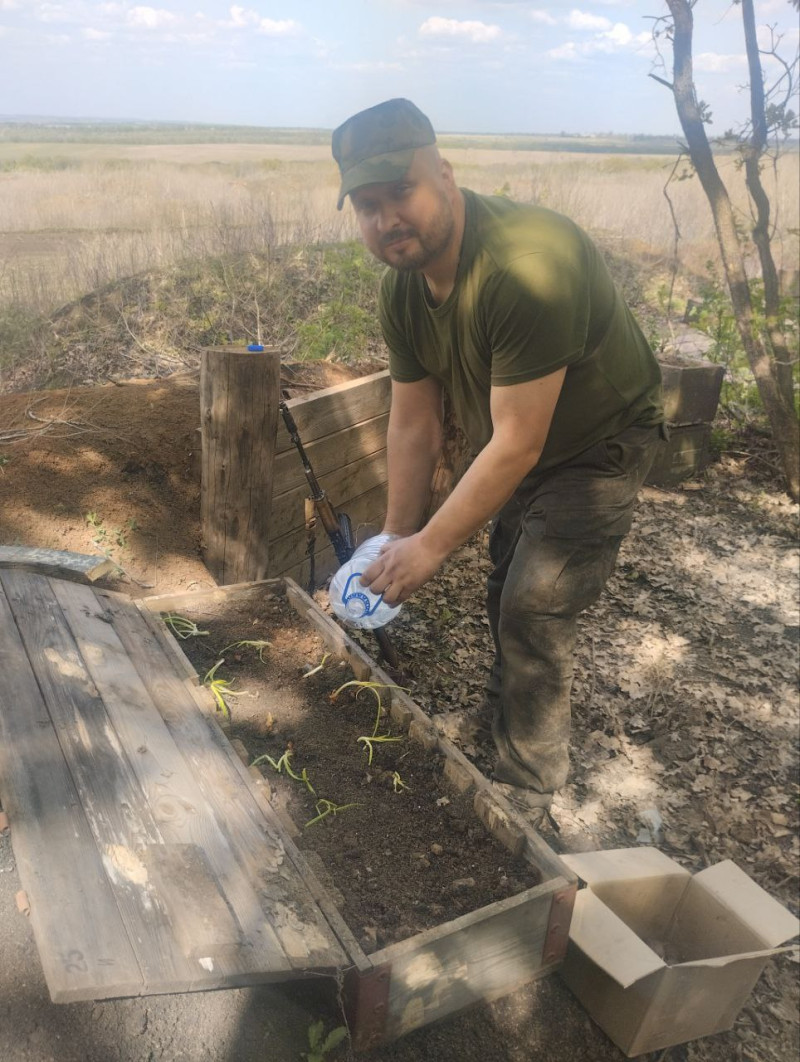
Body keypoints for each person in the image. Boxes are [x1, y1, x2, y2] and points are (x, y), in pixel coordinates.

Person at [331, 98, 665, 829]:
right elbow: (414, 422)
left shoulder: (524, 263)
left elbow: (517, 442)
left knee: (535, 603)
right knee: (505, 582)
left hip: (598, 442)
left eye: (401, 193)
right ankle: (497, 719)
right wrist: (395, 538)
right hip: (520, 442)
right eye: (367, 205)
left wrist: (433, 545)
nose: (388, 218)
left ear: (445, 175)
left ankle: (527, 786)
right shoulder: (403, 291)